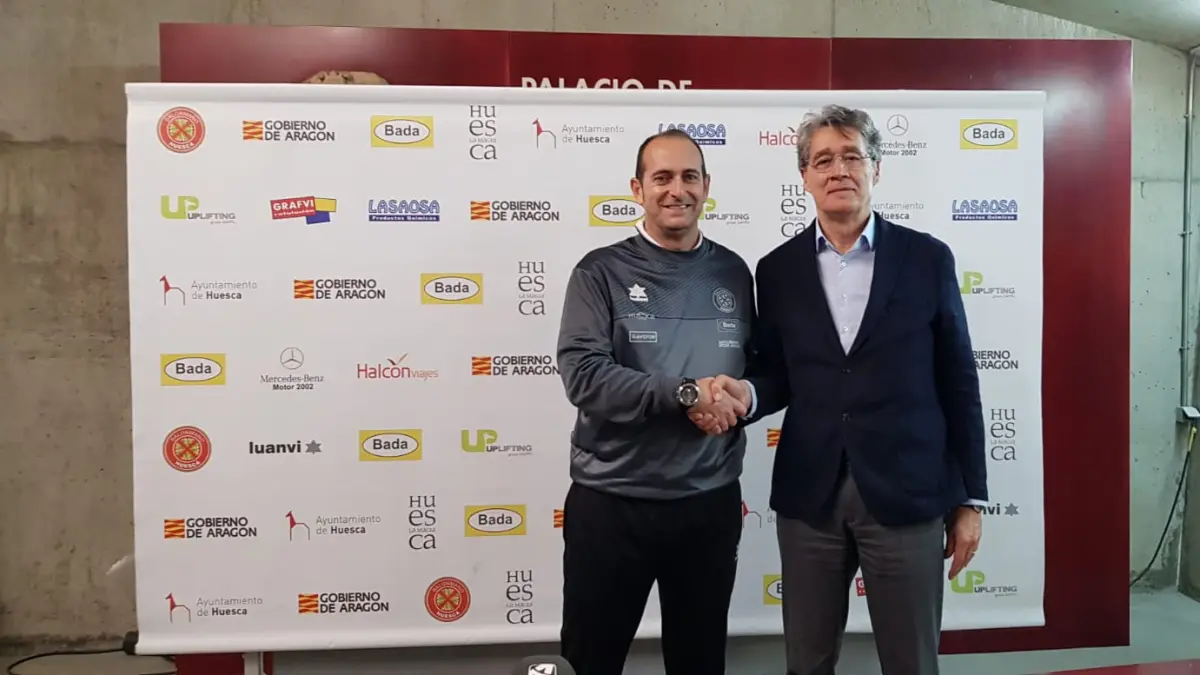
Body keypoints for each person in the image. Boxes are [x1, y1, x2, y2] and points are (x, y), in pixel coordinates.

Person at [694, 104, 988, 675]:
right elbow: (777, 372)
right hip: (811, 496)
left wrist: (970, 498)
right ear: (804, 176)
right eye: (823, 160)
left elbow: (959, 380)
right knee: (807, 662)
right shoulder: (776, 270)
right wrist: (746, 395)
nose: (839, 170)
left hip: (909, 493)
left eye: (852, 156)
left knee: (912, 663)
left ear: (876, 168)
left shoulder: (927, 258)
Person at [554, 128, 756, 675]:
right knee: (591, 660)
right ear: (637, 189)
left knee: (699, 662)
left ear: (706, 185)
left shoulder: (733, 272)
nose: (676, 189)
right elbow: (584, 377)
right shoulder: (599, 272)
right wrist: (686, 393)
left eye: (689, 176)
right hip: (612, 504)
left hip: (709, 503)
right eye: (661, 177)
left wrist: (738, 397)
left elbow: (756, 370)